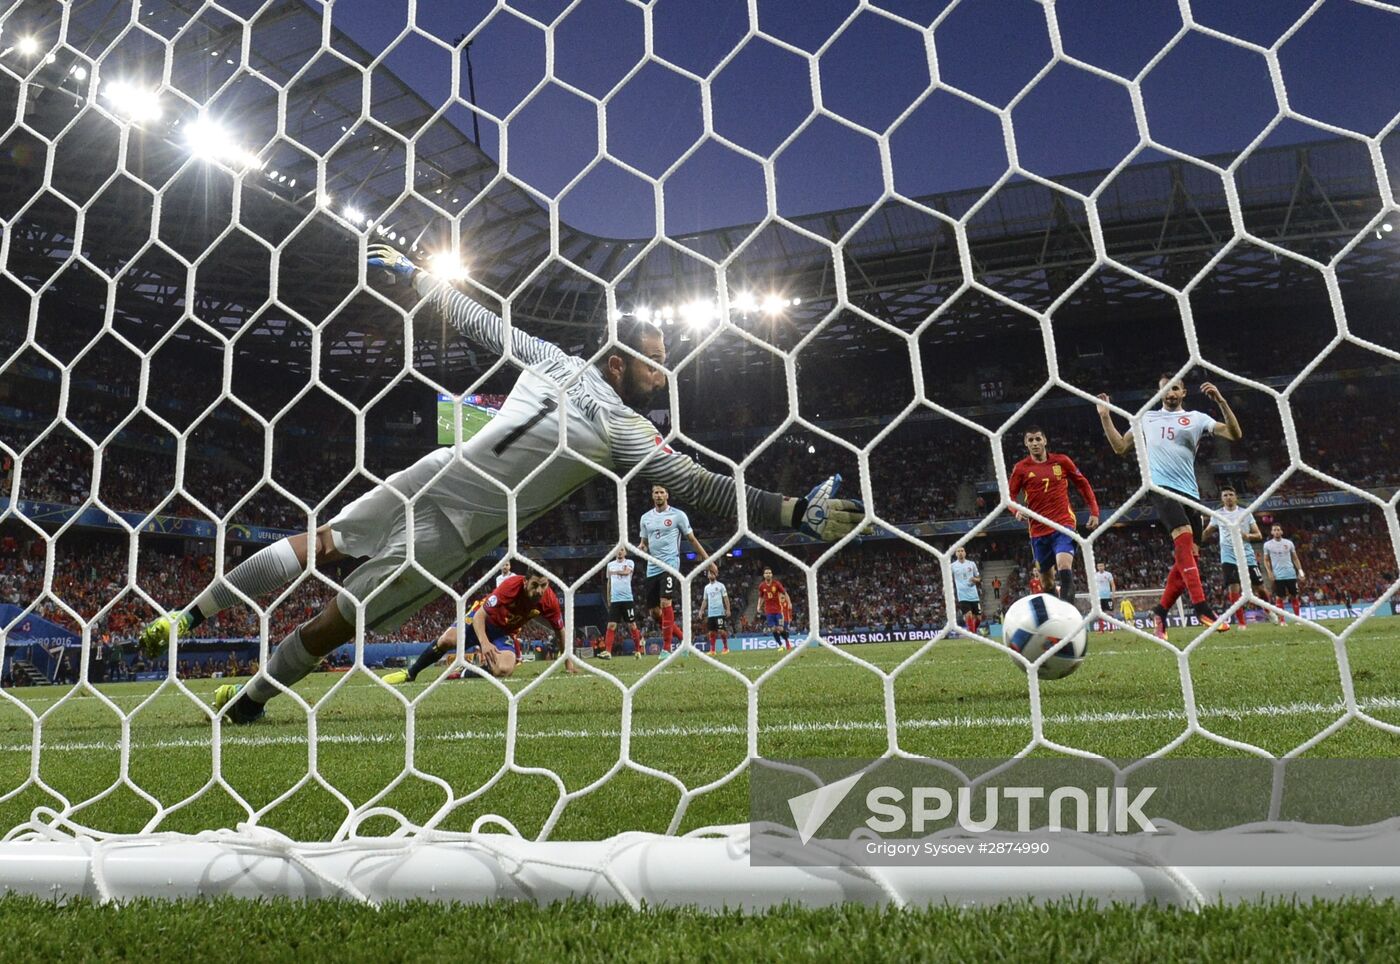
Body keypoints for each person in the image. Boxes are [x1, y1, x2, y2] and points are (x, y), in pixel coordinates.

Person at [138, 244, 865, 723]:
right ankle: (218, 657)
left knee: (324, 562)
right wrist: (793, 510)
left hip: (436, 486)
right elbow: (706, 488)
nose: (661, 374)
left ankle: (210, 646)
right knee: (332, 605)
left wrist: (418, 277)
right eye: (652, 364)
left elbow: (483, 325)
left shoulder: (551, 358)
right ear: (616, 364)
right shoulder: (624, 430)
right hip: (456, 533)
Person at [1098, 375, 1242, 639]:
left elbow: (1234, 433)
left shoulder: (1197, 418)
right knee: (1184, 538)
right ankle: (1202, 608)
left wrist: (1221, 402)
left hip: (1190, 494)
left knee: (1189, 558)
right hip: (1161, 489)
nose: (1170, 392)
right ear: (1159, 391)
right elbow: (1120, 447)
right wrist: (1105, 417)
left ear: (1183, 392)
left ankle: (1160, 613)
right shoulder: (1147, 418)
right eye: (1165, 387)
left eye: (1174, 387)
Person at [384, 572, 562, 684]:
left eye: (543, 585)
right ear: (525, 582)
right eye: (535, 585)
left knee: (504, 669)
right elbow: (480, 616)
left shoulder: (549, 600)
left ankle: (466, 672)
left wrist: (567, 661)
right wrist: (484, 643)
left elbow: (560, 630)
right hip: (481, 619)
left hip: (503, 632)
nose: (539, 591)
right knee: (447, 640)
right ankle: (411, 673)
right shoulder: (510, 586)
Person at [1007, 426, 1100, 603]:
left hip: (1062, 524)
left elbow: (1083, 484)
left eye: (1038, 439)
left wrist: (1094, 511)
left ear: (1045, 441)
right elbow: (1009, 496)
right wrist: (1016, 510)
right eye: (1031, 440)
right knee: (1047, 583)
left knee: (1064, 565)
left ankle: (1069, 619)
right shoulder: (1021, 468)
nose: (1035, 443)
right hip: (1038, 531)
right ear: (1026, 443)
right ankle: (1055, 619)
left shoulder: (1062, 461)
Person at [638, 484, 707, 655]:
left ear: (667, 495)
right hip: (652, 567)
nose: (659, 495)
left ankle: (667, 648)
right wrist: (640, 548)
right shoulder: (645, 518)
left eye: (662, 492)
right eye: (656, 492)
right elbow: (644, 543)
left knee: (665, 603)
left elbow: (691, 539)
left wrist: (708, 560)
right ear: (652, 495)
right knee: (655, 612)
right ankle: (684, 640)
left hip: (670, 565)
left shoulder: (678, 515)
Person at [1201, 486, 1265, 630]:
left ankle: (1269, 611)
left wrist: (1247, 536)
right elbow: (1207, 532)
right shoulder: (1217, 514)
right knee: (1233, 588)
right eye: (1225, 495)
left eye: (1231, 494)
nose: (1228, 497)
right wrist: (1196, 538)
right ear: (1222, 499)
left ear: (1235, 497)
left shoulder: (1246, 513)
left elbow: (1259, 535)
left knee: (1259, 588)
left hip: (1247, 555)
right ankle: (1242, 622)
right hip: (1228, 556)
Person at [603, 546, 645, 658]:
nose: (619, 552)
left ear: (625, 552)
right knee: (611, 625)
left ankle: (637, 650)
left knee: (632, 625)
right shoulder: (610, 565)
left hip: (627, 599)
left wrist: (615, 572)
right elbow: (609, 583)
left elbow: (626, 572)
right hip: (615, 600)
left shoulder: (630, 562)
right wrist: (608, 598)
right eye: (617, 550)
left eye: (622, 550)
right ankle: (608, 652)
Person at [1262, 523, 1306, 622]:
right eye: (1275, 530)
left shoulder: (1289, 543)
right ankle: (1282, 620)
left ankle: (1298, 619)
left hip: (1291, 574)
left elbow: (1295, 558)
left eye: (1278, 530)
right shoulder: (1267, 545)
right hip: (1278, 575)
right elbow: (1266, 560)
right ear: (1272, 532)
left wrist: (1301, 572)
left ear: (1282, 531)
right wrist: (1269, 572)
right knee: (1279, 597)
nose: (1277, 531)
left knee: (1294, 596)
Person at [757, 567, 794, 650]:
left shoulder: (776, 584)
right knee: (773, 629)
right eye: (766, 573)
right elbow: (761, 597)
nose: (768, 574)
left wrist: (789, 603)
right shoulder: (762, 586)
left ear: (772, 574)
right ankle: (780, 645)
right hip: (769, 611)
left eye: (769, 573)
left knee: (780, 628)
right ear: (764, 575)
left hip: (778, 610)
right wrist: (758, 606)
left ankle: (787, 642)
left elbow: (784, 593)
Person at [950, 546, 982, 635]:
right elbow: (948, 578)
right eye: (958, 551)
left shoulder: (972, 564)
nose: (960, 552)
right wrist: (945, 587)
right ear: (956, 554)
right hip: (962, 595)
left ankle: (973, 631)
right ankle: (973, 636)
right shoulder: (952, 566)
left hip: (974, 595)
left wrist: (975, 580)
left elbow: (979, 578)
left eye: (962, 551)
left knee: (979, 618)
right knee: (969, 615)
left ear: (965, 553)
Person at [702, 565, 731, 655]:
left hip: (719, 612)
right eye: (709, 573)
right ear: (707, 575)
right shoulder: (706, 588)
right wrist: (701, 610)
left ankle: (726, 648)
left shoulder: (721, 586)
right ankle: (712, 650)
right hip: (711, 613)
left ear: (716, 575)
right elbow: (705, 600)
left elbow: (725, 598)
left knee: (721, 631)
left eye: (713, 573)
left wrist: (728, 609)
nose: (711, 575)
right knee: (711, 632)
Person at [1093, 561, 1116, 633]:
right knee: (1100, 613)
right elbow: (1093, 586)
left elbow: (1112, 584)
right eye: (1099, 566)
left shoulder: (1108, 574)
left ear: (1104, 566)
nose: (1100, 567)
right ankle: (1101, 630)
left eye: (1101, 566)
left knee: (1110, 613)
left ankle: (1111, 629)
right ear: (1097, 567)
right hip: (1099, 597)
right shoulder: (1095, 575)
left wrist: (1113, 594)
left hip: (1107, 596)